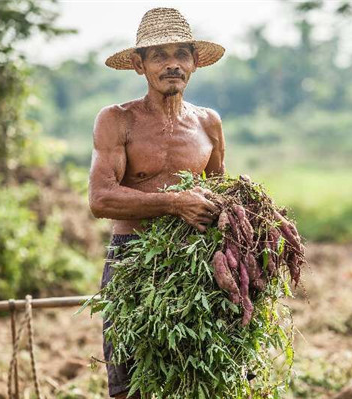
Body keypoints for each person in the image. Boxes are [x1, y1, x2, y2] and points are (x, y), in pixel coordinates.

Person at [87, 7, 226, 399]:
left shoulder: (208, 123)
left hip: (194, 261)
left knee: (201, 382)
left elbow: (218, 194)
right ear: (138, 64)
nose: (172, 65)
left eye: (181, 54)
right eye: (158, 56)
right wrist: (175, 203)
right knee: (129, 387)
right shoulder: (117, 120)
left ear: (195, 63)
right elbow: (100, 198)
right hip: (132, 260)